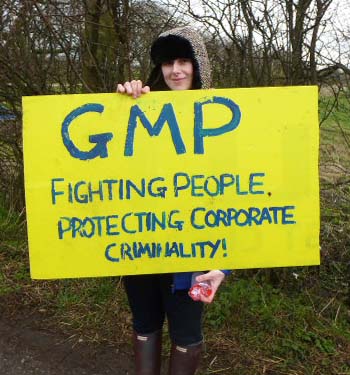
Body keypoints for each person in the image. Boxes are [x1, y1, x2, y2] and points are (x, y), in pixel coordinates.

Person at [117, 26, 231, 375]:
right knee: (144, 325)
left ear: (198, 66)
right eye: (168, 62)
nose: (176, 70)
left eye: (184, 60)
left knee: (187, 334)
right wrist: (123, 100)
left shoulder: (222, 118)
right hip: (141, 251)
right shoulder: (141, 107)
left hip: (193, 257)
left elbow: (235, 196)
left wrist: (222, 267)